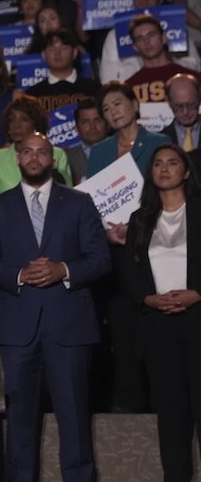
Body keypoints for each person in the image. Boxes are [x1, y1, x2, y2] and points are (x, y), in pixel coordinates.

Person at [0, 132, 111, 482]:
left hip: (69, 327)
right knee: (19, 423)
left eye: (42, 152)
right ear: (17, 159)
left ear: (53, 160)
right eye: (27, 152)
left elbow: (100, 259)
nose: (34, 158)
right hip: (18, 330)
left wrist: (62, 269)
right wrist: (19, 274)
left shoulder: (79, 203)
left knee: (75, 421)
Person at [122, 144, 201, 482]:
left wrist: (197, 294)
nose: (164, 169)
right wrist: (148, 299)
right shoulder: (139, 219)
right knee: (171, 419)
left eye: (172, 163)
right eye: (157, 164)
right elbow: (128, 272)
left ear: (186, 172)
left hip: (198, 322)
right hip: (159, 329)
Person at [0, 96, 73, 201]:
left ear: (36, 124)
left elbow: (67, 196)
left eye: (24, 119)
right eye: (12, 120)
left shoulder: (57, 154)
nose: (16, 125)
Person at [88, 82, 172, 178]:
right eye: (106, 109)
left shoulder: (158, 142)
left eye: (117, 104)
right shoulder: (98, 151)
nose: (113, 112)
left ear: (135, 105)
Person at [125, 14, 201, 104]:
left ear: (163, 38)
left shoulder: (192, 78)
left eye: (151, 35)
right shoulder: (128, 87)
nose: (147, 42)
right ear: (135, 47)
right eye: (140, 39)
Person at [25, 28, 100, 113]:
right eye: (51, 49)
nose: (57, 53)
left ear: (74, 53)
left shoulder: (93, 89)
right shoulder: (32, 95)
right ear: (43, 55)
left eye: (64, 48)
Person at [65, 98, 110, 185]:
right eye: (85, 122)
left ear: (107, 124)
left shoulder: (122, 150)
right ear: (77, 128)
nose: (92, 126)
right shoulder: (66, 157)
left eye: (98, 120)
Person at [160, 73, 201, 150]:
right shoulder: (160, 140)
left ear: (199, 98)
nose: (185, 112)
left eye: (191, 105)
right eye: (179, 107)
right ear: (168, 101)